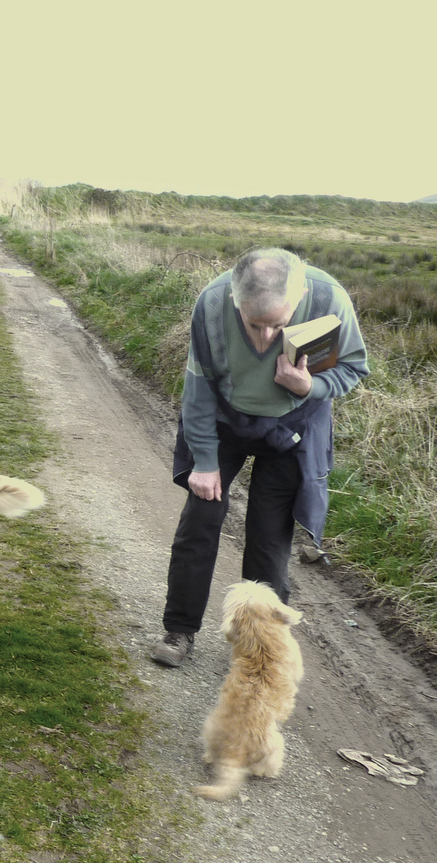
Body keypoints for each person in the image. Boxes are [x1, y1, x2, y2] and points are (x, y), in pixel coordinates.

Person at [150, 247, 369, 667]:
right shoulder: (212, 304)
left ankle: (258, 650)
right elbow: (197, 390)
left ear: (300, 296)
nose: (266, 338)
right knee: (200, 520)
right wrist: (205, 462)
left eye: (278, 326)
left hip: (293, 425)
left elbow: (353, 369)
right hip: (225, 421)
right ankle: (179, 630)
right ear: (235, 299)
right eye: (254, 324)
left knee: (269, 540)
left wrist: (310, 387)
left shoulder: (328, 299)